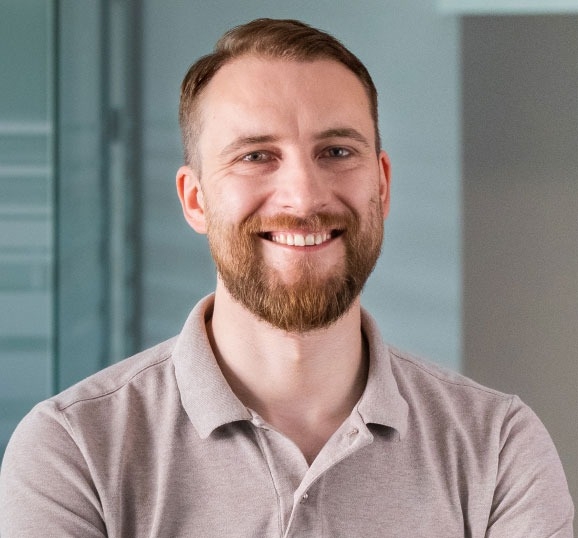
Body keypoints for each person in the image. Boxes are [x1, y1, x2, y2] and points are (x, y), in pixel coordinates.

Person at [0, 18, 573, 538]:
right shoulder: (73, 450)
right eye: (255, 156)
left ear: (383, 185)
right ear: (195, 199)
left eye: (337, 150)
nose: (303, 197)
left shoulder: (498, 447)